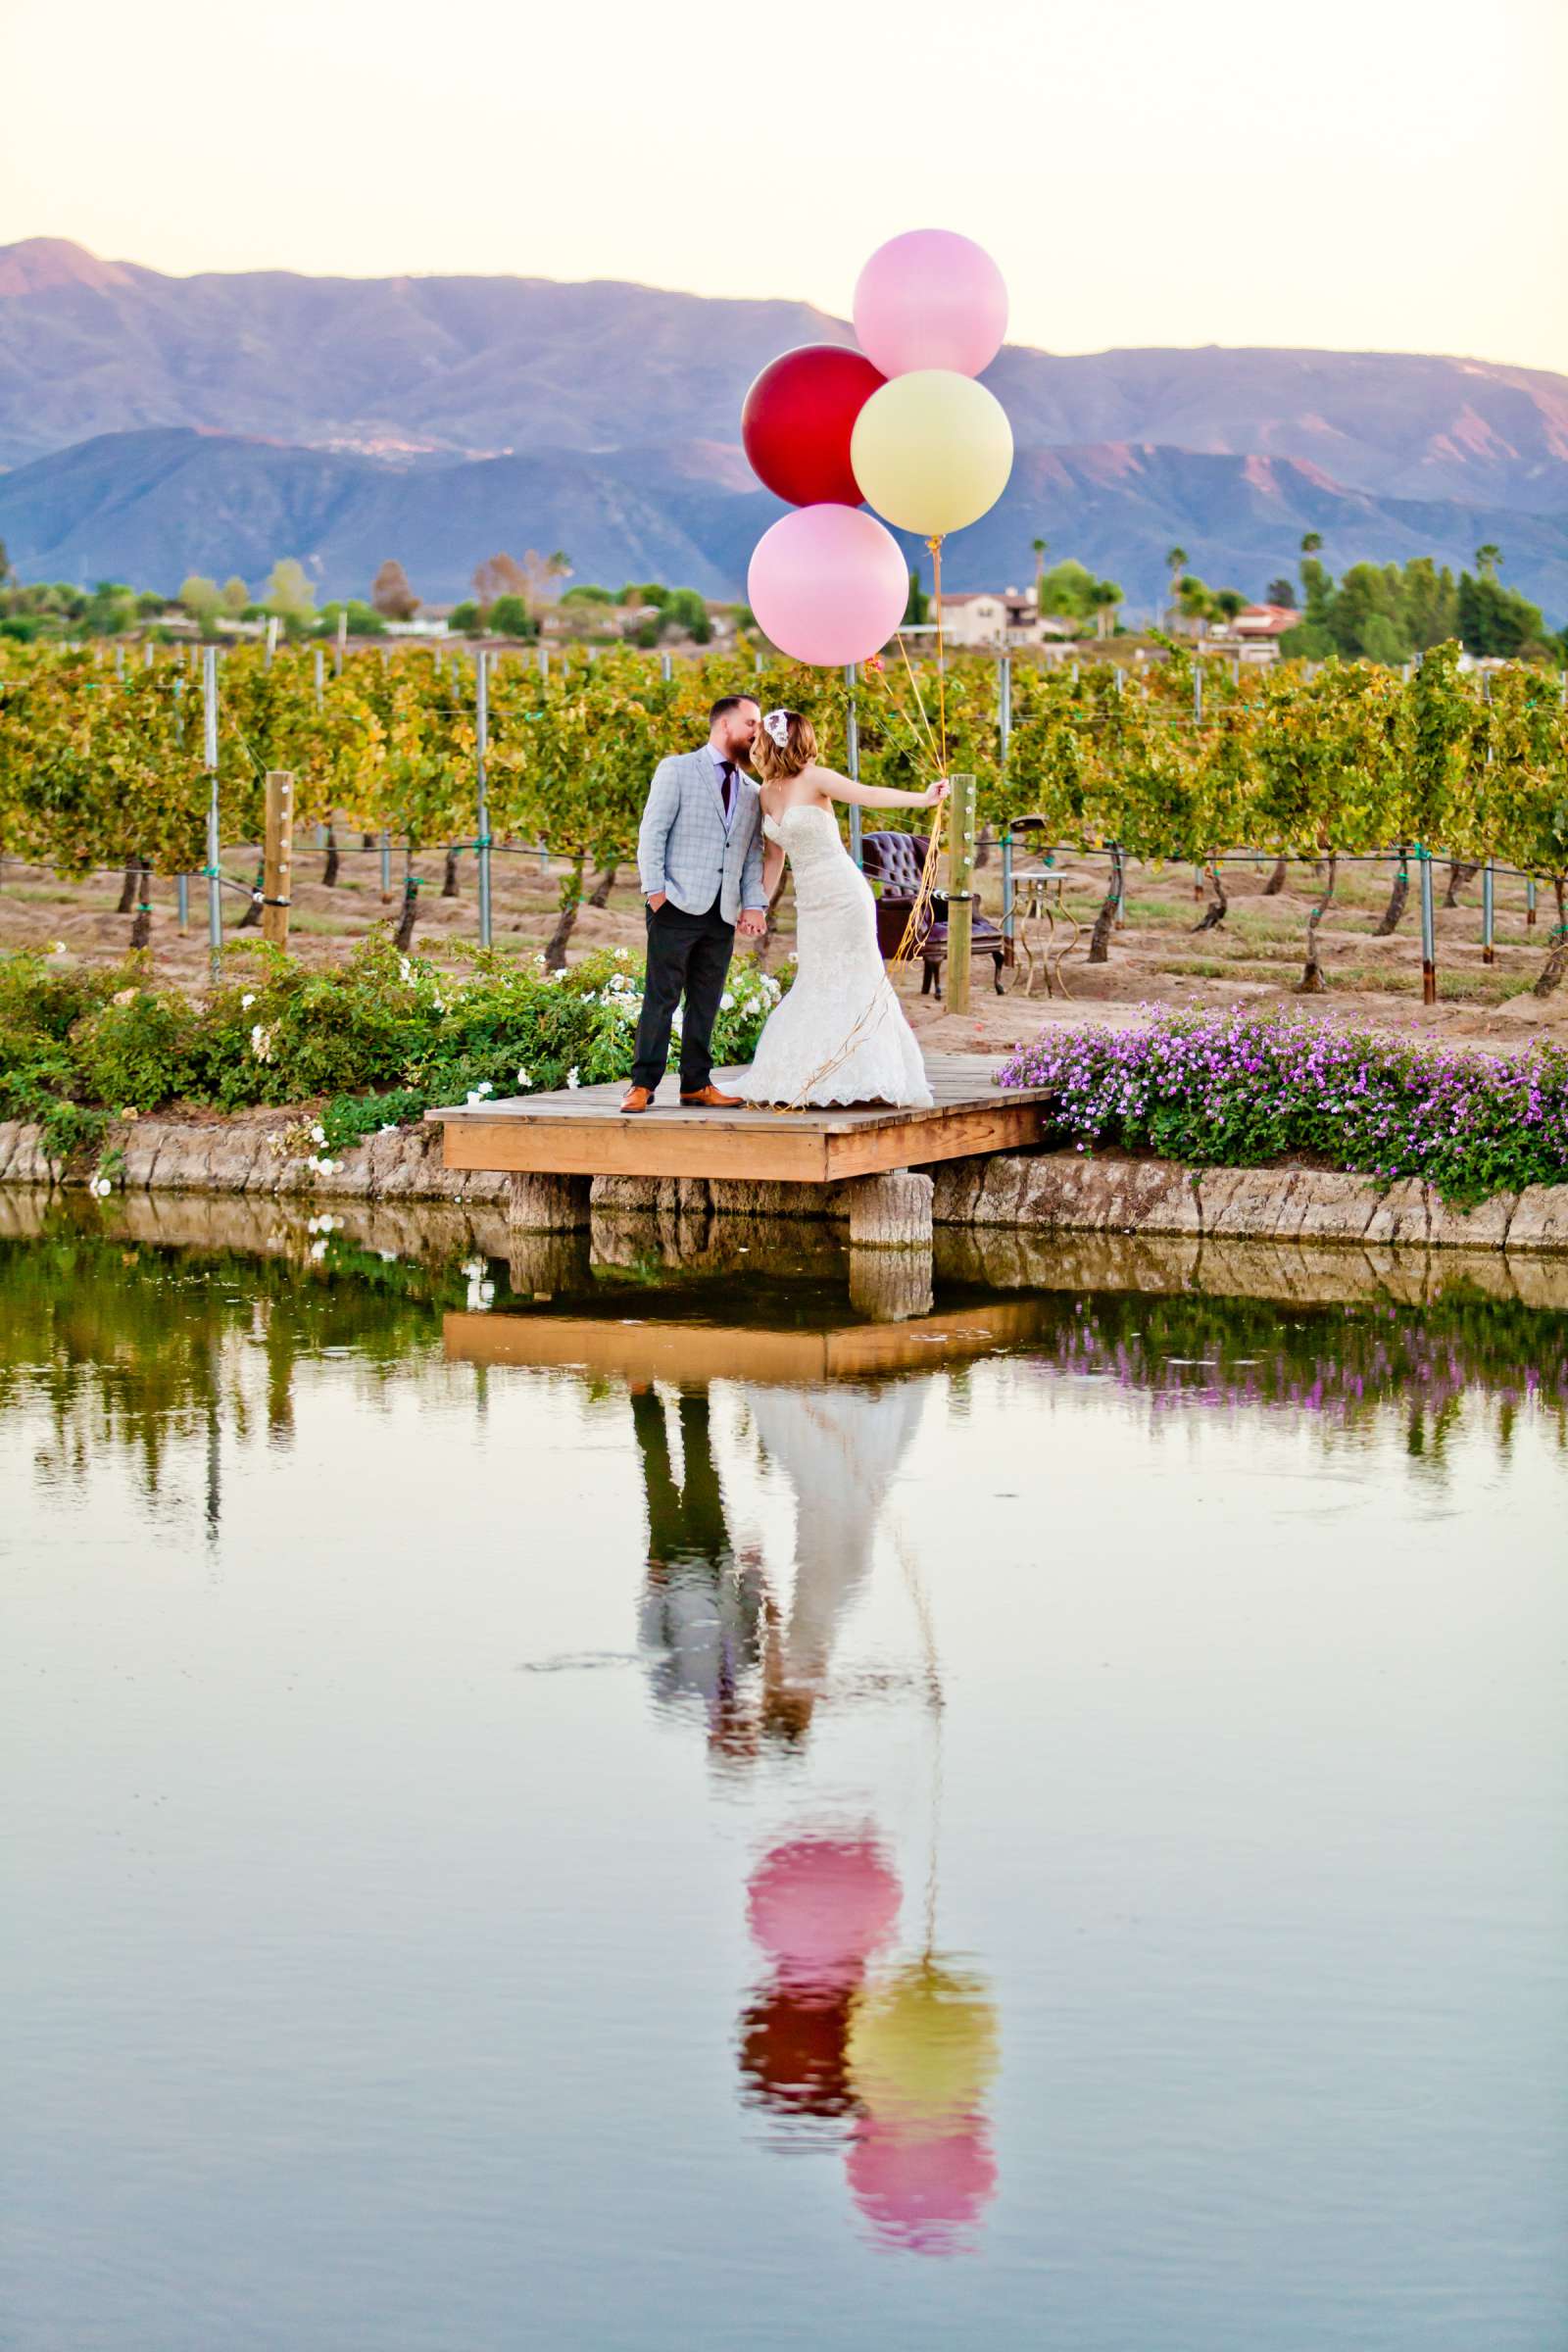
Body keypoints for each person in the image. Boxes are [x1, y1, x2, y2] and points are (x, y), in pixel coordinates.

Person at [736, 708, 948, 1110]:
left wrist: (923, 799)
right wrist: (757, 906)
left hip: (844, 894)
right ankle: (821, 1072)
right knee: (817, 979)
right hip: (811, 902)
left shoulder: (816, 778)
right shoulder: (766, 791)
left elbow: (867, 794)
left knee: (858, 976)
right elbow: (774, 859)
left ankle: (870, 1074)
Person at [622, 694, 767, 1113]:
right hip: (675, 904)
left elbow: (751, 852)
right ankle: (642, 1084)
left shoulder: (752, 791)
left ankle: (696, 1084)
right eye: (751, 723)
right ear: (725, 726)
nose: (757, 732)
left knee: (706, 998)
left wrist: (753, 904)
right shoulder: (677, 770)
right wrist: (655, 893)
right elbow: (652, 833)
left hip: (721, 911)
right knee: (661, 996)